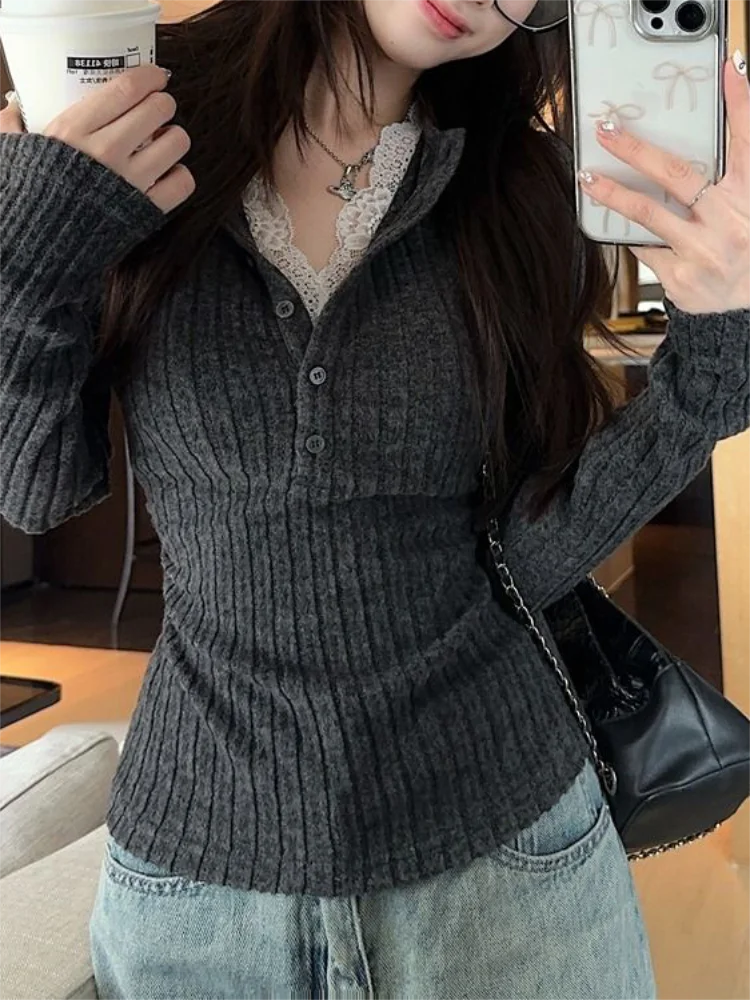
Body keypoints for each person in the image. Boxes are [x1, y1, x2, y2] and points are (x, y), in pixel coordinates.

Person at [0, 0, 748, 995]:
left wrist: (720, 355)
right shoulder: (135, 111)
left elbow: (527, 554)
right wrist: (32, 249)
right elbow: (35, 486)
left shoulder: (516, 188)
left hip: (513, 865)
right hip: (198, 891)